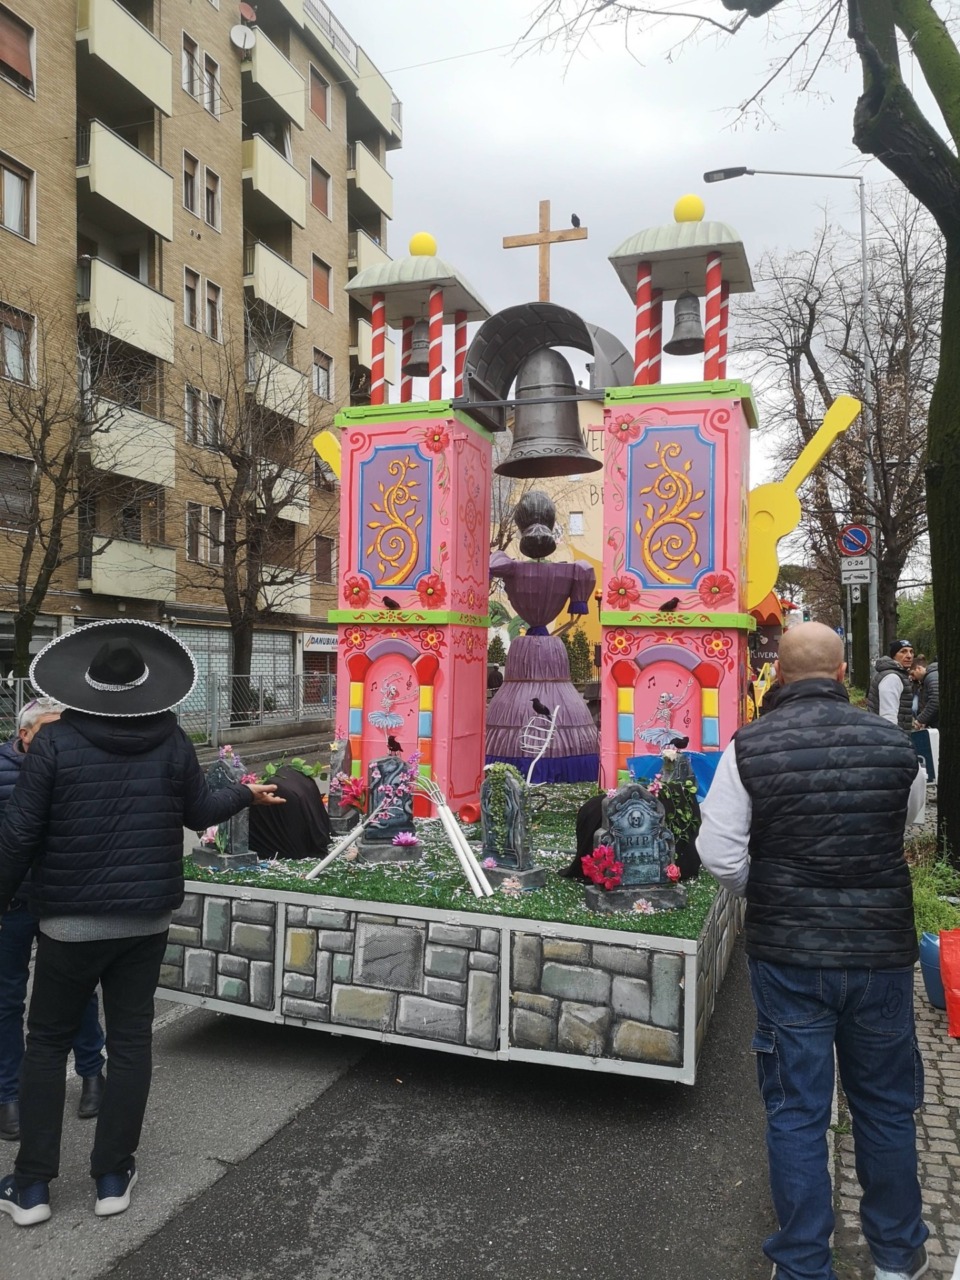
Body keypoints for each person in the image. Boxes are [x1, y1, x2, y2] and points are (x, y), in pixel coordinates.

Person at [0, 621, 284, 1227]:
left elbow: (19, 835)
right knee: (130, 1042)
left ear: (86, 684)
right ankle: (112, 1177)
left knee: (45, 1043)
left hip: (69, 923)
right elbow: (200, 812)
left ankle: (31, 1188)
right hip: (146, 919)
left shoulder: (55, 742)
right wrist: (244, 794)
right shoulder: (172, 740)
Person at [697, 622, 928, 1280]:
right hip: (879, 952)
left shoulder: (750, 746)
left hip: (790, 957)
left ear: (779, 674)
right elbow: (906, 821)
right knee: (884, 1106)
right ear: (843, 671)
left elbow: (718, 853)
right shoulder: (895, 744)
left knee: (797, 1111)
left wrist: (768, 890)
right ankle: (896, 1260)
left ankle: (803, 1264)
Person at [0, 698, 106, 1143]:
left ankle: (92, 1072)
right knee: (7, 1000)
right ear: (24, 734)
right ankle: (9, 1094)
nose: (59, 737)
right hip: (12, 905)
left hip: (64, 899)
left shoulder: (75, 762)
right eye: (48, 729)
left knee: (76, 991)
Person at [866, 638, 915, 729]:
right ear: (894, 656)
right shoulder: (892, 677)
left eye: (911, 652)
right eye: (903, 651)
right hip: (890, 734)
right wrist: (892, 736)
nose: (909, 656)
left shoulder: (897, 674)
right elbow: (888, 717)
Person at [914, 658, 939, 731]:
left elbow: (935, 700)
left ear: (918, 668)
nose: (913, 677)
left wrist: (921, 719)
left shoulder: (931, 677)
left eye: (912, 674)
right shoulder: (930, 677)